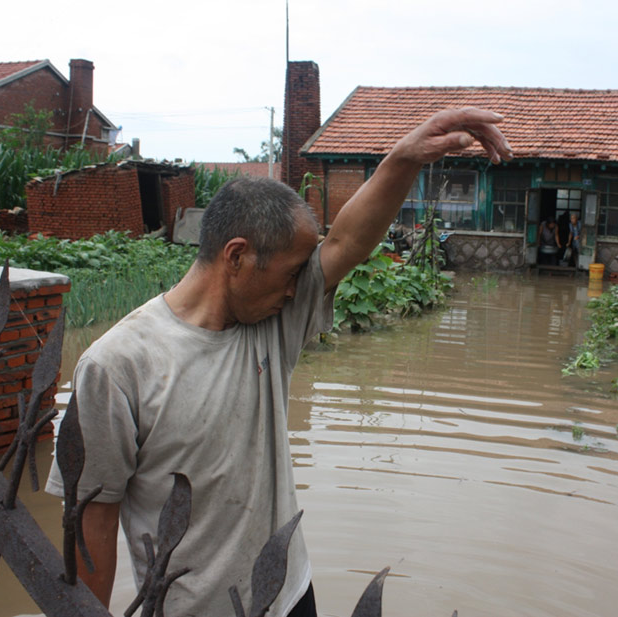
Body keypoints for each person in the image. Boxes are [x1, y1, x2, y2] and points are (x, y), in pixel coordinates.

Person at [45, 108, 512, 617]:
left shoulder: (271, 322)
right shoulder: (117, 365)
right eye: (291, 274)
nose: (297, 291)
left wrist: (404, 157)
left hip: (287, 592)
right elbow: (93, 521)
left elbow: (347, 243)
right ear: (237, 257)